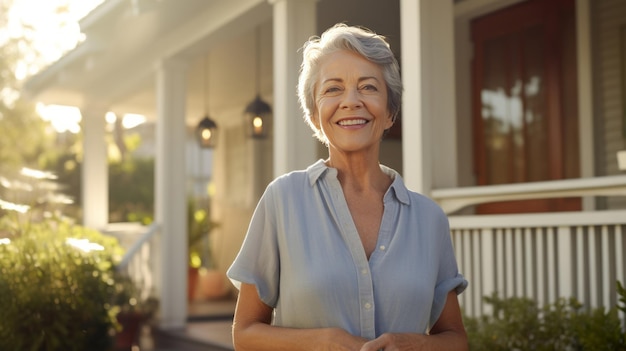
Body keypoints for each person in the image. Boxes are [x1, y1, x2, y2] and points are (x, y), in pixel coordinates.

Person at [227, 23, 468, 350]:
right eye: (333, 89)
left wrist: (412, 344)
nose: (351, 101)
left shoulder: (429, 219)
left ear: (390, 112)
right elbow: (245, 335)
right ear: (314, 114)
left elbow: (455, 340)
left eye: (368, 87)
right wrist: (323, 341)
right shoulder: (282, 201)